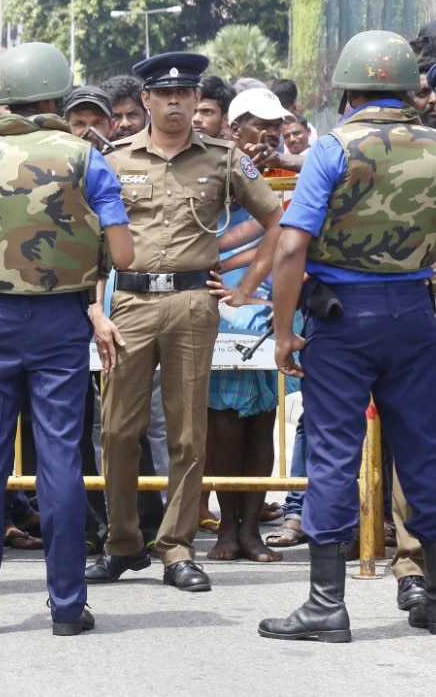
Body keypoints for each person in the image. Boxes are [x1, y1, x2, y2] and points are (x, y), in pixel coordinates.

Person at [0, 43, 131, 636]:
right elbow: (126, 252)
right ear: (56, 96)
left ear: (1, 100)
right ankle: (67, 607)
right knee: (60, 460)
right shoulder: (86, 157)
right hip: (63, 320)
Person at [260, 30, 436, 643]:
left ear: (348, 92)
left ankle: (325, 605)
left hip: (342, 317)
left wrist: (283, 333)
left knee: (334, 452)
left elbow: (289, 245)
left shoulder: (333, 148)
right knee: (425, 450)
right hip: (416, 311)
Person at [86, 51, 282, 593]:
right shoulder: (115, 158)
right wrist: (95, 308)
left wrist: (243, 290)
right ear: (145, 100)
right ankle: (123, 543)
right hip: (129, 305)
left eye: (185, 94)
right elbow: (89, 242)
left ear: (198, 101)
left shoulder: (223, 158)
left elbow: (278, 221)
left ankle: (176, 548)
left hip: (195, 305)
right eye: (164, 94)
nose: (175, 102)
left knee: (187, 434)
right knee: (118, 430)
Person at [202, 87, 299, 564]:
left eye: (275, 125)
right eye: (259, 125)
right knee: (220, 424)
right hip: (218, 309)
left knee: (262, 424)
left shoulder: (284, 174)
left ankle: (251, 531)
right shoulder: (214, 167)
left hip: (265, 312)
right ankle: (225, 526)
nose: (269, 133)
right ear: (234, 127)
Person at [101, 74, 147, 140]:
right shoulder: (92, 149)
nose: (125, 124)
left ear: (145, 114)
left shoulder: (161, 148)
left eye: (132, 115)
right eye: (115, 116)